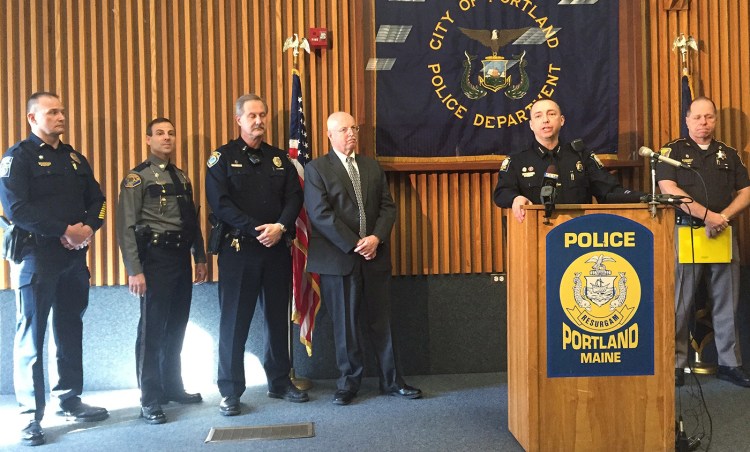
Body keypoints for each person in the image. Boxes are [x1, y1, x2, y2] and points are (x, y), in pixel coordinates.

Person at [0, 92, 108, 446]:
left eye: (62, 110)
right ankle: (30, 416)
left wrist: (88, 229)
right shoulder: (18, 158)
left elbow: (99, 200)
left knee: (69, 328)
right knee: (31, 337)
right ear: (33, 118)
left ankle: (69, 398)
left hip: (74, 259)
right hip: (37, 257)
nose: (61, 116)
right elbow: (16, 209)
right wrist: (64, 230)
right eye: (52, 112)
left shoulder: (75, 158)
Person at [304, 111, 422, 405]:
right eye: (343, 129)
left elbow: (387, 207)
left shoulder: (371, 166)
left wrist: (376, 239)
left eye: (354, 128)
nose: (351, 134)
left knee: (382, 321)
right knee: (345, 325)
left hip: (374, 256)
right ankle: (348, 384)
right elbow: (320, 214)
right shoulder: (316, 168)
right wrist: (357, 243)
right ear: (329, 135)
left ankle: (392, 380)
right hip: (339, 259)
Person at [205, 93, 308, 416]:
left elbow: (294, 198)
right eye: (252, 116)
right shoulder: (220, 159)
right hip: (239, 251)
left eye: (262, 115)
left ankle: (280, 380)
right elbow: (219, 204)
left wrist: (279, 227)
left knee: (277, 319)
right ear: (239, 120)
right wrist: (256, 229)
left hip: (275, 249)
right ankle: (231, 390)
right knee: (234, 322)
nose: (259, 121)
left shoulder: (279, 160)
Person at [116, 117, 208, 424]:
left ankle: (173, 386)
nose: (166, 138)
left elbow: (191, 220)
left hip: (181, 257)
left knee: (177, 326)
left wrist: (200, 255)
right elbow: (126, 226)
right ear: (148, 139)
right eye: (159, 133)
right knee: (152, 330)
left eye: (171, 133)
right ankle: (150, 398)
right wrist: (134, 269)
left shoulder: (181, 177)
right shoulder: (137, 178)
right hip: (154, 259)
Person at [656, 96, 750, 388]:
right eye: (697, 117)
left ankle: (729, 364)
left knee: (727, 302)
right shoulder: (671, 151)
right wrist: (707, 216)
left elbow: (746, 191)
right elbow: (668, 188)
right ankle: (675, 363)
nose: (703, 123)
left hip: (722, 232)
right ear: (687, 119)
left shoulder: (729, 154)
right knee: (680, 304)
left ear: (715, 120)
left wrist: (721, 217)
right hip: (688, 231)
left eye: (709, 117)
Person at [493, 98, 643, 222]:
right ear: (531, 125)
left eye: (551, 114)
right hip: (534, 234)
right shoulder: (518, 159)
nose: (545, 120)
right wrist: (516, 198)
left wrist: (643, 198)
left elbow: (608, 192)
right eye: (538, 116)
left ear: (562, 120)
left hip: (577, 235)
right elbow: (502, 193)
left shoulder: (580, 155)